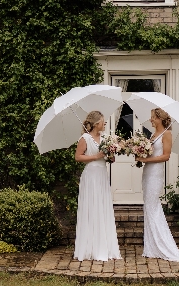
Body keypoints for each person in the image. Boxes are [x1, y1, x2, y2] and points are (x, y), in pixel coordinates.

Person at [136, 108, 179, 262]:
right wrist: (140, 153)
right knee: (148, 206)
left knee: (153, 206)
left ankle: (162, 245)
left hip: (155, 173)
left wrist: (146, 160)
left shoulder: (167, 134)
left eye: (153, 117)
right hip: (147, 172)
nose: (151, 120)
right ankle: (151, 247)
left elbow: (165, 156)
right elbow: (152, 153)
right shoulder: (153, 135)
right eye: (151, 117)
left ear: (160, 118)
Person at [73, 111, 122, 261]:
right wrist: (96, 156)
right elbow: (78, 156)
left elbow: (109, 159)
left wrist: (110, 155)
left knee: (102, 207)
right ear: (95, 124)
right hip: (91, 176)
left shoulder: (106, 138)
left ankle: (105, 246)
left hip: (102, 175)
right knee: (92, 207)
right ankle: (90, 247)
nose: (105, 123)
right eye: (102, 121)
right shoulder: (85, 138)